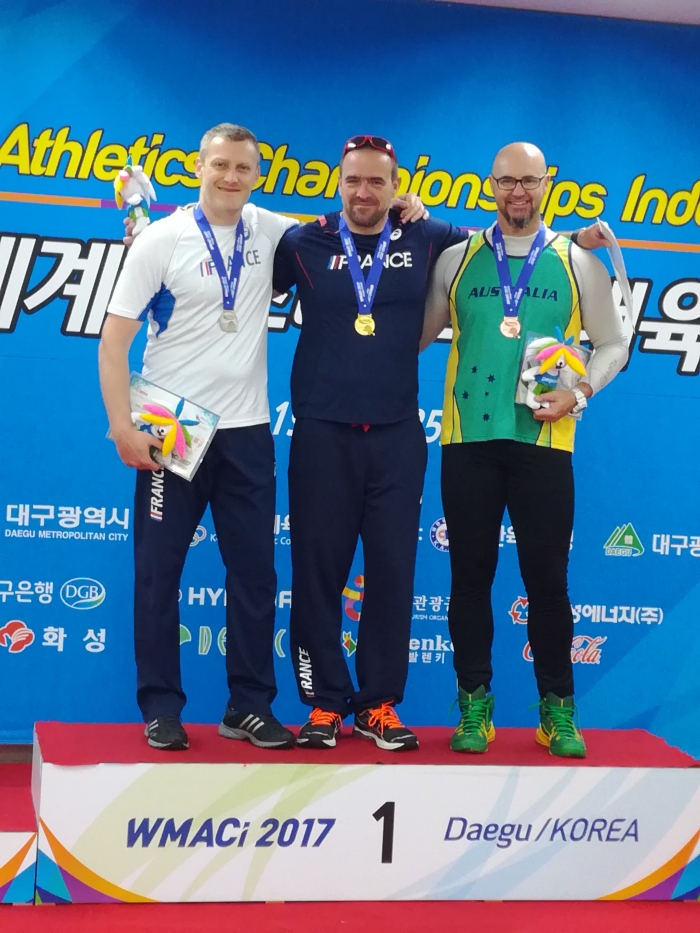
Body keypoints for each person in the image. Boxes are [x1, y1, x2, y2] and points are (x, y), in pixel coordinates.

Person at [99, 124, 425, 752]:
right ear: (199, 166)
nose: (230, 178)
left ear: (257, 175)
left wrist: (411, 209)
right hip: (173, 428)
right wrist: (121, 424)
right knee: (158, 571)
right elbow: (114, 342)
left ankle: (248, 704)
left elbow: (351, 235)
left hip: (247, 430)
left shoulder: (279, 232)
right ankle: (161, 707)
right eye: (220, 165)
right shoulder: (160, 242)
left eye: (243, 169)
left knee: (254, 576)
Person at [421, 142, 628, 758]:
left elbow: (614, 344)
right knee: (469, 580)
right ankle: (474, 705)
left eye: (529, 182)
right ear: (489, 186)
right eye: (506, 181)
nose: (518, 192)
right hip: (468, 442)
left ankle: (557, 710)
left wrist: (581, 391)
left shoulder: (575, 260)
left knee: (547, 583)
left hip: (544, 440)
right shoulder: (456, 259)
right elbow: (417, 334)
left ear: (546, 186)